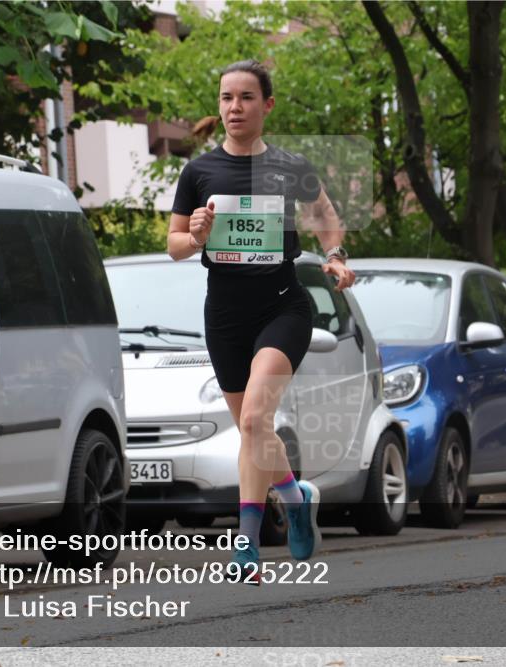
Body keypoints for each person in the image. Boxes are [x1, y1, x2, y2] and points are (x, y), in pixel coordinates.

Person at [167, 60, 355, 582]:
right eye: (227, 98)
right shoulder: (199, 171)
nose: (234, 108)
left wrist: (335, 256)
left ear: (266, 105)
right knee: (255, 430)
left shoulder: (290, 166)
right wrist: (199, 235)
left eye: (246, 98)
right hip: (224, 315)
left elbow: (323, 215)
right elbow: (175, 245)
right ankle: (297, 499)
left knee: (253, 421)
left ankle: (245, 545)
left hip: (282, 307)